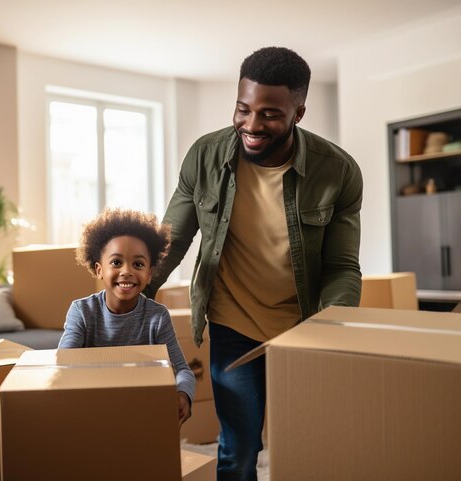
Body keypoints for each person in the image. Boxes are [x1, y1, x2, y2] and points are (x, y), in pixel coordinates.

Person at [144, 46, 363, 480]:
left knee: (307, 447)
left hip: (303, 331)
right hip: (233, 326)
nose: (251, 125)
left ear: (299, 112)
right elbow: (170, 241)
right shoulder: (205, 156)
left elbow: (341, 267)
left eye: (269, 115)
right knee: (238, 450)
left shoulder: (337, 171)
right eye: (243, 109)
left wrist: (330, 328)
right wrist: (131, 297)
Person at [58, 208, 195, 426]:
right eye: (116, 262)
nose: (127, 271)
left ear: (149, 274)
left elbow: (182, 370)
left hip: (140, 414)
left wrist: (183, 394)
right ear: (99, 269)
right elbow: (63, 363)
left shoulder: (157, 317)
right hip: (91, 412)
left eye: (138, 264)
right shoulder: (82, 312)